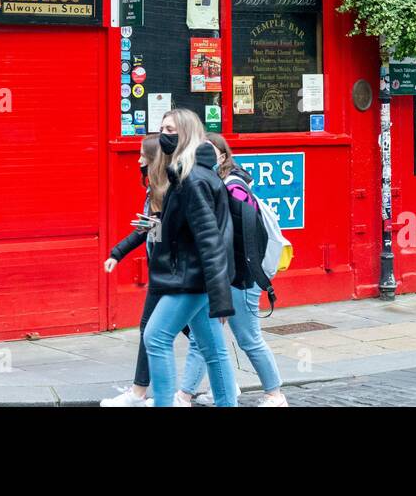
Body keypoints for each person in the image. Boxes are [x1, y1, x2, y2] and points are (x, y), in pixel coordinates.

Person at [175, 133, 287, 408]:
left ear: (223, 157)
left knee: (248, 339)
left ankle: (275, 395)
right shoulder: (214, 184)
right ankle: (203, 392)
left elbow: (243, 238)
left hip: (241, 279)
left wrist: (228, 283)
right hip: (224, 278)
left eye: (211, 151)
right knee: (204, 339)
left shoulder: (233, 187)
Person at [142, 107, 237, 407]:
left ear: (186, 135)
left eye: (171, 131)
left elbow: (210, 240)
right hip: (195, 276)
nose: (164, 136)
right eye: (162, 129)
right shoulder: (189, 173)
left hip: (192, 278)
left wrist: (221, 297)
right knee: (213, 349)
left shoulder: (192, 179)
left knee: (156, 337)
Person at [99, 134, 165, 407]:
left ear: (154, 159)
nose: (138, 159)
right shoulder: (155, 189)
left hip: (171, 275)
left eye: (142, 155)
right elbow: (148, 231)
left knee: (151, 328)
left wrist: (156, 227)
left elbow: (166, 234)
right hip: (163, 273)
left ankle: (143, 393)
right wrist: (117, 253)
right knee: (191, 333)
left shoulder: (170, 190)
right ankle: (223, 384)